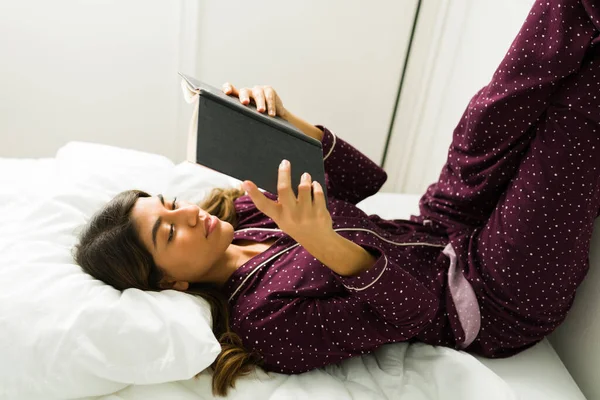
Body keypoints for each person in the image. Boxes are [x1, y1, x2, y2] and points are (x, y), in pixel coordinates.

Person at [74, 0, 600, 396]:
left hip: (443, 215)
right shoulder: (264, 325)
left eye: (169, 206)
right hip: (486, 297)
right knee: (573, 117)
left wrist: (284, 124)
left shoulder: (248, 209)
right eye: (169, 232)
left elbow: (368, 179)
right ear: (170, 282)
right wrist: (321, 242)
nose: (188, 214)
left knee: (511, 87)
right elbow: (414, 312)